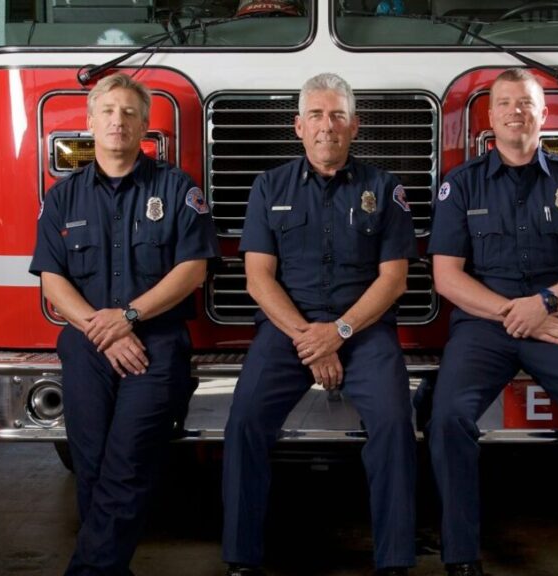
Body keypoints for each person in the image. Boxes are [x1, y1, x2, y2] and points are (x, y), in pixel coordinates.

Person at [426, 68, 558, 576]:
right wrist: (516, 312)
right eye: (504, 103)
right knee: (447, 418)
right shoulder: (460, 185)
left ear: (544, 114)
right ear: (490, 117)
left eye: (526, 103)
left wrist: (543, 304)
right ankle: (460, 558)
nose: (515, 112)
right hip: (484, 328)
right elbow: (446, 277)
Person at [222, 72, 417, 576]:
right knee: (243, 420)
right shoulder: (269, 187)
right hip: (289, 332)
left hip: (365, 330)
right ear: (298, 127)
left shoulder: (385, 188)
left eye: (336, 116)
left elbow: (393, 280)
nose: (326, 126)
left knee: (396, 424)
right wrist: (310, 338)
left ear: (355, 126)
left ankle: (395, 560)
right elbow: (258, 279)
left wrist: (340, 332)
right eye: (315, 115)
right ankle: (242, 557)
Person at [29, 73, 220, 575]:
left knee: (128, 461)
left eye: (129, 113)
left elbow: (193, 269)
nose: (118, 121)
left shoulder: (177, 189)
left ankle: (89, 570)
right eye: (108, 111)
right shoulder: (62, 199)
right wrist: (103, 328)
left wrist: (129, 317)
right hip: (87, 344)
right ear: (90, 122)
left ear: (146, 126)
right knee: (90, 462)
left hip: (156, 343)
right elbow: (52, 280)